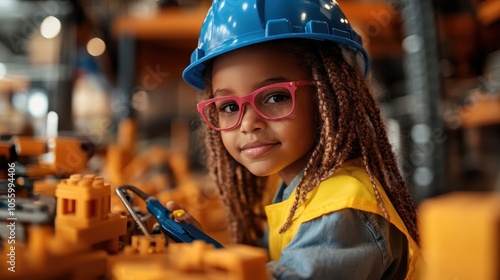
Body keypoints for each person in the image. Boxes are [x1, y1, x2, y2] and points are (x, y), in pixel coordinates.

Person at [168, 0, 423, 279]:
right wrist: (204, 250)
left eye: (276, 97)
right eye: (229, 106)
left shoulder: (340, 208)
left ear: (329, 99)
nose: (248, 123)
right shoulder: (299, 189)